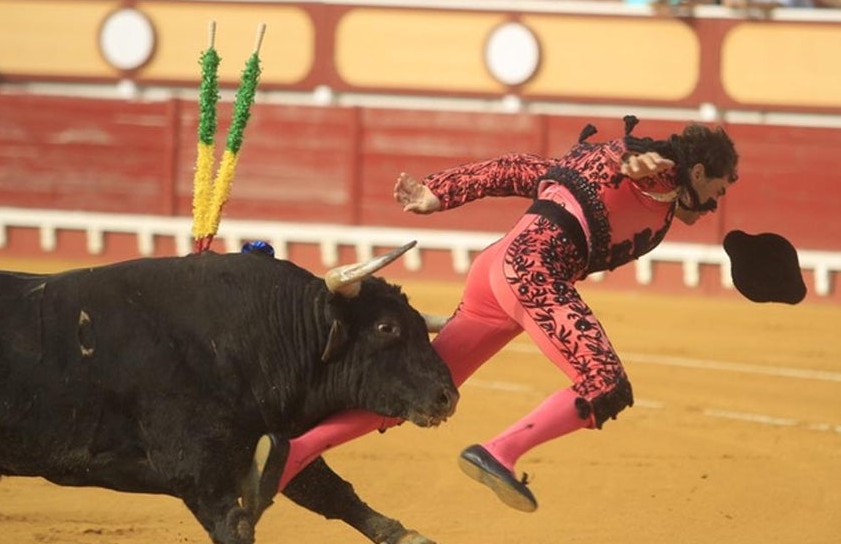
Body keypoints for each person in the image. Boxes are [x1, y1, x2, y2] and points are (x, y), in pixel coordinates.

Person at [243, 116, 740, 516]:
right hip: (533, 269)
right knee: (605, 382)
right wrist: (634, 158)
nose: (714, 204)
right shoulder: (657, 173)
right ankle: (499, 452)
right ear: (697, 173)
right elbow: (620, 158)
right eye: (717, 190)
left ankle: (294, 452)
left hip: (496, 270)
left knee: (423, 390)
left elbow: (514, 168)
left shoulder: (651, 196)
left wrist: (439, 191)